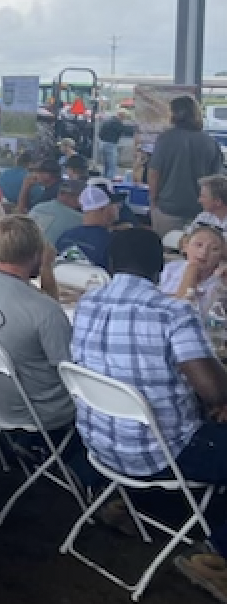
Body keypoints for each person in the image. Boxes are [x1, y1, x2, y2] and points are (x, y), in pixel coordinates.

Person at [70, 228, 227, 601]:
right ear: (161, 268)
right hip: (162, 455)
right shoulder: (172, 312)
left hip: (99, 445)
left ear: (110, 264)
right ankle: (213, 555)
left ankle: (124, 500)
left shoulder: (87, 303)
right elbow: (215, 390)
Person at [0, 216, 76, 432]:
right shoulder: (45, 311)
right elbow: (69, 370)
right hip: (44, 410)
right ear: (38, 252)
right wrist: (47, 268)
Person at [149, 95, 225, 236]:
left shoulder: (165, 139)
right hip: (201, 212)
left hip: (167, 210)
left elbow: (154, 173)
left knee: (167, 250)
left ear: (174, 114)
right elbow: (218, 180)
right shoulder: (209, 142)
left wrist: (153, 202)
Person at [159, 222, 225, 321]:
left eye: (214, 249)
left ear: (221, 256)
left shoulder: (220, 281)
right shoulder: (171, 268)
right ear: (185, 247)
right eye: (198, 245)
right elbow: (156, 297)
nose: (203, 252)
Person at [55, 183, 120, 268]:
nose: (118, 208)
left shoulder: (64, 236)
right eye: (115, 205)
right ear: (105, 209)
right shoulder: (112, 243)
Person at [29, 179, 84, 247]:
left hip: (21, 252)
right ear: (78, 197)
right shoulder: (79, 219)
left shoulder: (37, 207)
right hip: (49, 255)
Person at [97, 111, 129, 180]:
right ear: (121, 116)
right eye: (124, 118)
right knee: (112, 166)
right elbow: (124, 131)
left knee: (106, 166)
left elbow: (100, 133)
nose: (123, 119)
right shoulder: (117, 122)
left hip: (102, 143)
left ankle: (104, 181)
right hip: (111, 144)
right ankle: (109, 182)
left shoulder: (107, 121)